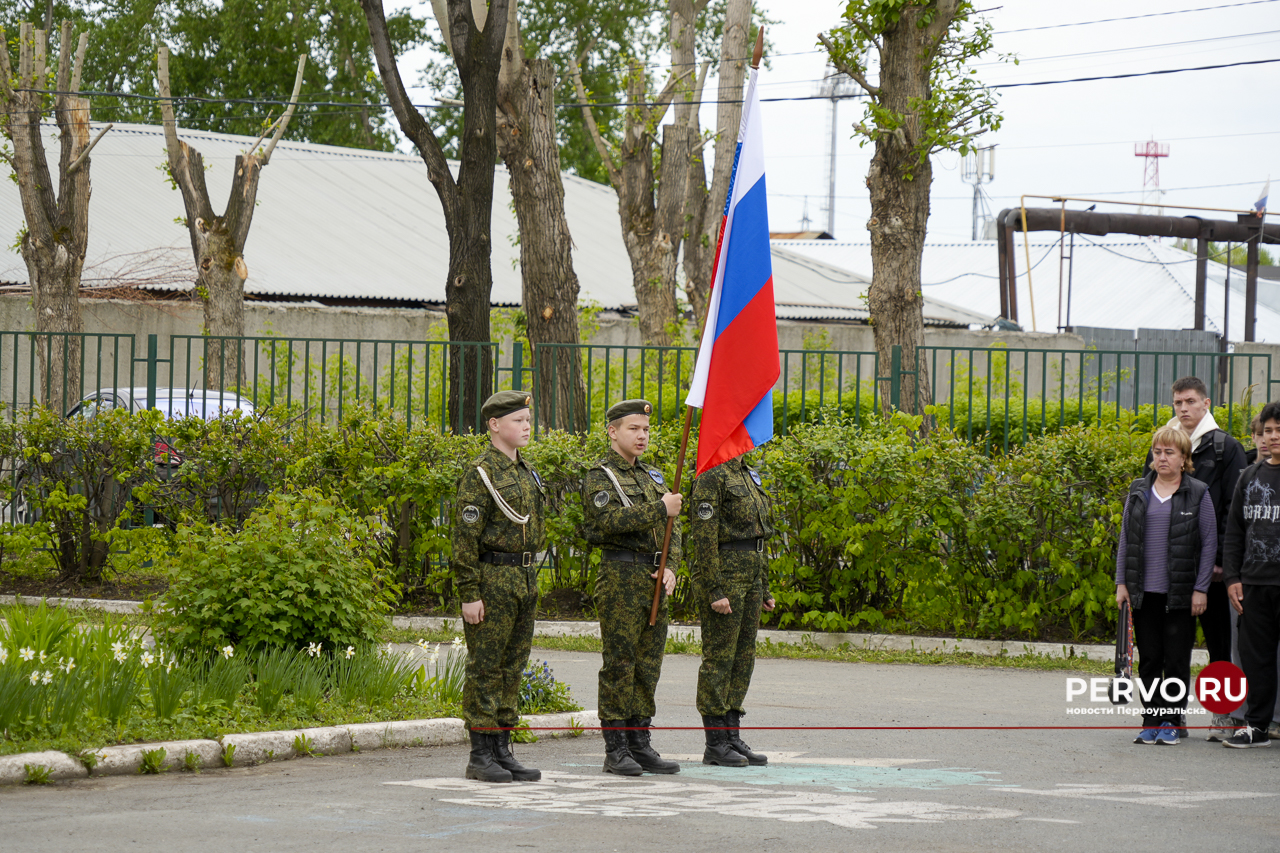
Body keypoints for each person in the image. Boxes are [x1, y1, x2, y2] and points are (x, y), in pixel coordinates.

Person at [450, 390, 547, 782]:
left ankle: (503, 749)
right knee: (486, 667)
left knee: (513, 666)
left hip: (524, 578)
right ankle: (480, 754)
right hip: (493, 579)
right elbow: (464, 539)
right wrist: (469, 593)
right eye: (518, 421)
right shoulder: (481, 474)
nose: (527, 427)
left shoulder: (526, 471)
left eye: (528, 420)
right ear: (494, 425)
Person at [581, 399, 681, 776]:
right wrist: (660, 509)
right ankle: (616, 747)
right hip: (621, 578)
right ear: (613, 431)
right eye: (633, 429)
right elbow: (602, 523)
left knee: (648, 666)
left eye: (646, 430)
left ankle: (640, 742)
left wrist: (671, 566)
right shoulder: (600, 476)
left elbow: (675, 530)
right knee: (621, 663)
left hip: (654, 579)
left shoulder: (653, 476)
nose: (642, 436)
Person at [1152, 376, 1247, 738]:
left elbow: (1232, 510)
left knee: (1220, 645)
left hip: (1216, 570)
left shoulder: (1225, 447)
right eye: (1178, 402)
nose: (1184, 409)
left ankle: (1225, 715)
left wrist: (1222, 560)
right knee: (1173, 646)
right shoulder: (1166, 443)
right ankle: (1172, 717)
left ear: (1206, 403)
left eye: (1190, 401)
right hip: (1174, 568)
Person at [1118, 425, 1215, 745]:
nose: (1162, 458)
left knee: (1175, 660)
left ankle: (1172, 721)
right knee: (1149, 659)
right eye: (1157, 452)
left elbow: (1209, 543)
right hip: (1144, 593)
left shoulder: (1198, 492)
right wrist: (1122, 583)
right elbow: (1125, 541)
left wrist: (1201, 588)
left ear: (1184, 458)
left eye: (1169, 452)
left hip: (1181, 594)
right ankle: (1150, 720)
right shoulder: (1138, 490)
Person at [688, 452, 777, 767]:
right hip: (725, 576)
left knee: (743, 657)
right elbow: (704, 536)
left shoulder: (746, 473)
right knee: (719, 658)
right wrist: (714, 588)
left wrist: (764, 587)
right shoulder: (712, 474)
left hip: (751, 576)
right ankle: (715, 743)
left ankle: (731, 735)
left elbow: (758, 536)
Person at [1222, 401, 1280, 748]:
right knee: (1257, 660)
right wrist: (1232, 579)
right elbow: (1234, 533)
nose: (1273, 437)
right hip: (1254, 584)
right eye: (1269, 430)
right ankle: (1256, 727)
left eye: (1279, 430)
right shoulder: (1250, 475)